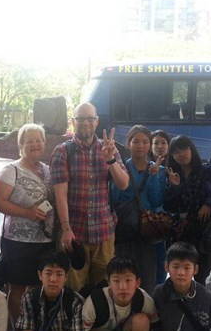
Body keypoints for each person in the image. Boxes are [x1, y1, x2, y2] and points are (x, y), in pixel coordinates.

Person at [49, 103, 130, 292]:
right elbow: (60, 195)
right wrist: (66, 229)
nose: (85, 123)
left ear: (97, 121)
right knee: (73, 289)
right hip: (75, 232)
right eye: (81, 119)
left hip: (104, 232)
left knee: (104, 289)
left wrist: (110, 160)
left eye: (90, 119)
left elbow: (123, 184)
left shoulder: (109, 148)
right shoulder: (62, 151)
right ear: (73, 121)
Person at [0, 123, 55, 331]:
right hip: (18, 242)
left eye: (39, 140)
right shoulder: (12, 170)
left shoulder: (48, 170)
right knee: (17, 288)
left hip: (45, 241)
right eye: (30, 141)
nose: (35, 145)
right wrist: (26, 213)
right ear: (21, 145)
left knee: (40, 287)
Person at [110, 125, 166, 290]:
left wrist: (154, 176)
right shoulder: (120, 168)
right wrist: (118, 178)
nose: (140, 146)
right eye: (136, 141)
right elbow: (115, 199)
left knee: (148, 274)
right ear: (129, 143)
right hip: (125, 229)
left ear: (150, 144)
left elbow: (156, 201)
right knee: (124, 272)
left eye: (145, 141)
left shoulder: (159, 169)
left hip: (147, 231)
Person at [163, 135, 211, 283]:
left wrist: (208, 204)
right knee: (180, 272)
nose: (181, 154)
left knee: (201, 272)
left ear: (192, 149)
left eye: (184, 149)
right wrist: (175, 187)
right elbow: (169, 206)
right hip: (180, 232)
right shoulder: (171, 174)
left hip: (202, 229)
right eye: (176, 152)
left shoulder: (207, 170)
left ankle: (201, 296)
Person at [150, 130, 171, 284]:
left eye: (163, 143)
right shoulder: (146, 167)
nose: (160, 146)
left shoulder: (174, 167)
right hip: (151, 221)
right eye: (156, 143)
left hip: (169, 222)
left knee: (164, 260)